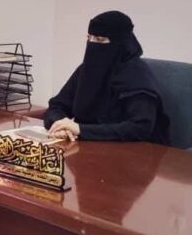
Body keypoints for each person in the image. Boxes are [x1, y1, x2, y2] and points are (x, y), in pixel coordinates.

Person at [44, 11, 170, 143]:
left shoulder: (137, 75)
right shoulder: (87, 70)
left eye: (100, 40)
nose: (92, 44)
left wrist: (81, 129)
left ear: (121, 43)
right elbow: (57, 106)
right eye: (89, 38)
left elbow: (140, 127)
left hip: (131, 150)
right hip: (87, 146)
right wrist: (61, 125)